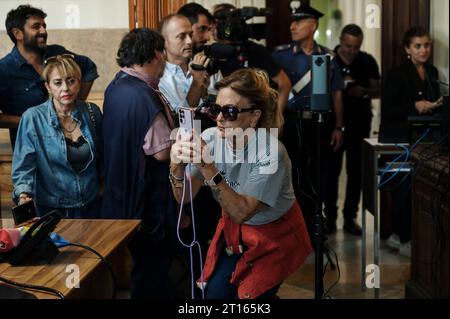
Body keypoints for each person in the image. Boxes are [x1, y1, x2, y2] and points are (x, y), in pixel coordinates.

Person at [169, 68, 312, 299]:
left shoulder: (270, 152)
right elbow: (183, 197)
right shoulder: (211, 138)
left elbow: (241, 211)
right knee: (213, 295)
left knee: (248, 298)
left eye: (231, 111)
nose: (219, 119)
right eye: (216, 110)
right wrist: (175, 167)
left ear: (254, 116)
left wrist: (209, 168)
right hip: (236, 234)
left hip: (275, 237)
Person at [101, 28, 178, 298]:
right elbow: (163, 153)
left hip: (122, 194)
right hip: (148, 202)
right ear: (157, 53)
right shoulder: (143, 96)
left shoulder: (116, 86)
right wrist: (182, 138)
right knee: (151, 274)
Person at [272, 3, 345, 240]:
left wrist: (338, 126)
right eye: (292, 21)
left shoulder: (328, 57)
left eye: (299, 22)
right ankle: (295, 226)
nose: (292, 26)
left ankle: (316, 223)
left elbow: (337, 93)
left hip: (320, 124)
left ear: (312, 25)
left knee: (318, 175)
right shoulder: (280, 54)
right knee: (292, 175)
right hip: (291, 123)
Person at [11, 55, 103, 218]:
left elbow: (103, 159)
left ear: (79, 82)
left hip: (92, 206)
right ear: (48, 86)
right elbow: (24, 167)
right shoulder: (33, 118)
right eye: (58, 82)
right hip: (52, 210)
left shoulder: (92, 112)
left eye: (71, 81)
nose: (65, 88)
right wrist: (24, 194)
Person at [0, 5, 98, 148]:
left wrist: (74, 104)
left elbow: (88, 67)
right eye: (36, 26)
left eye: (44, 26)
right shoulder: (4, 70)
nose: (43, 31)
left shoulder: (57, 54)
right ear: (18, 33)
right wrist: (31, 121)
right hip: (31, 149)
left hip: (70, 145)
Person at [381, 26, 442, 254]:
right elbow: (388, 110)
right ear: (408, 49)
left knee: (425, 185)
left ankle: (414, 236)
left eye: (426, 45)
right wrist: (414, 106)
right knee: (403, 187)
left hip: (425, 139)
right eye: (418, 46)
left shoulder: (433, 72)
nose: (423, 50)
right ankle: (402, 236)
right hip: (399, 139)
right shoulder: (395, 73)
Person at [323, 24, 381, 235]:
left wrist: (363, 90)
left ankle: (350, 217)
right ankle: (329, 217)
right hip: (334, 126)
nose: (351, 50)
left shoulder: (366, 60)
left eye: (356, 46)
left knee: (356, 173)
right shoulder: (329, 59)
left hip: (360, 123)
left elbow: (378, 89)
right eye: (348, 46)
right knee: (331, 173)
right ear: (340, 40)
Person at [212, 4, 292, 114]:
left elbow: (284, 83)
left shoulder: (255, 50)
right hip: (228, 116)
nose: (214, 28)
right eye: (214, 23)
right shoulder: (213, 51)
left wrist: (277, 118)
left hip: (256, 118)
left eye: (219, 23)